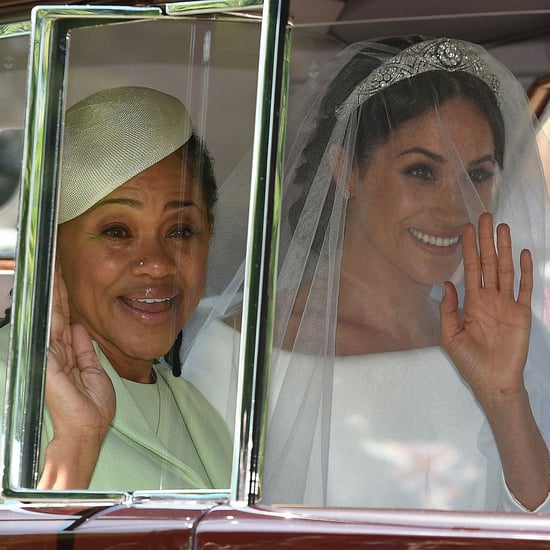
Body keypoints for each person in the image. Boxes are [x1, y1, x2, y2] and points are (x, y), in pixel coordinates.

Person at [183, 36, 550, 511]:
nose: (456, 206)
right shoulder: (238, 354)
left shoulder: (514, 344)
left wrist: (505, 398)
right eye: (421, 171)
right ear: (345, 169)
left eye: (478, 174)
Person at [0, 86, 231, 491]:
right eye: (117, 231)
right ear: (50, 246)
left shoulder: (203, 416)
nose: (158, 263)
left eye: (180, 230)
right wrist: (76, 445)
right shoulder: (9, 389)